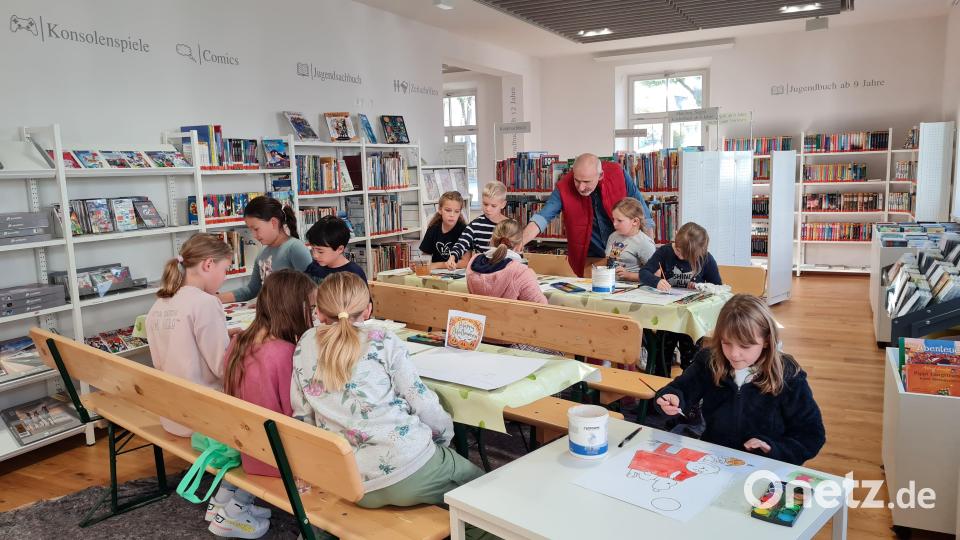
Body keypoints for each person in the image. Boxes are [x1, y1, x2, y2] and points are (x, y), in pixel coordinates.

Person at [291, 273, 484, 515]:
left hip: (350, 481)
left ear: (318, 312)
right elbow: (422, 402)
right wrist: (444, 438)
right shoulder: (382, 340)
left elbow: (302, 415)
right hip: (408, 466)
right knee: (486, 496)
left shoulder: (305, 343)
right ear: (368, 310)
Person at [145, 234, 271, 538]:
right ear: (208, 264)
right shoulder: (205, 303)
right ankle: (235, 499)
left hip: (171, 412)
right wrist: (242, 344)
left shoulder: (160, 303)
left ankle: (229, 496)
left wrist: (225, 337)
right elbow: (221, 368)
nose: (224, 278)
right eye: (225, 270)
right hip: (202, 417)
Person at [655, 295, 826, 465]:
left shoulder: (788, 375)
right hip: (715, 459)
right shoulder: (709, 361)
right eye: (726, 343)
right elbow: (681, 389)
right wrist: (672, 396)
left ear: (766, 341)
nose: (734, 354)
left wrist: (773, 449)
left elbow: (811, 435)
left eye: (745, 346)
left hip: (765, 467)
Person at [222, 269, 317, 477]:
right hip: (279, 458)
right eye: (311, 308)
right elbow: (297, 413)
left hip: (249, 449)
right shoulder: (285, 352)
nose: (314, 314)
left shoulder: (238, 342)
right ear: (294, 308)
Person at [521, 153, 654, 277]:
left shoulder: (618, 174)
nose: (581, 187)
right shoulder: (564, 186)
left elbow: (643, 214)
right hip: (590, 256)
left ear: (600, 175)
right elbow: (543, 217)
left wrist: (650, 250)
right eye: (577, 180)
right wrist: (520, 242)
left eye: (587, 182)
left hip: (627, 254)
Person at [639, 222, 722, 370]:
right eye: (678, 251)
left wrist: (700, 286)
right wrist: (656, 281)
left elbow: (718, 287)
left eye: (687, 256)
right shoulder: (665, 252)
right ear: (675, 239)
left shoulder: (705, 258)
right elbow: (644, 273)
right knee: (662, 357)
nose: (681, 257)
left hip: (692, 318)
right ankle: (661, 387)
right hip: (668, 315)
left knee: (691, 361)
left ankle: (689, 388)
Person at [218, 196, 312, 303]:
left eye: (256, 229)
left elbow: (310, 290)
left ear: (273, 223)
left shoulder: (295, 248)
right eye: (251, 230)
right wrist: (216, 298)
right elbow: (251, 290)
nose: (253, 235)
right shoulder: (262, 253)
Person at [466, 219, 546, 304]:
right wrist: (530, 277)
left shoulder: (473, 262)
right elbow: (542, 307)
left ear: (492, 240)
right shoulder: (519, 272)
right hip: (510, 317)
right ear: (519, 245)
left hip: (481, 316)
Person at [445, 181, 509, 270]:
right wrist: (452, 258)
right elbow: (461, 243)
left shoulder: (511, 226)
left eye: (493, 206)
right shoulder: (475, 224)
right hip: (483, 272)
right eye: (485, 204)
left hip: (506, 272)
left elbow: (517, 254)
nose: (488, 209)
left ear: (503, 204)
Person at [605, 197, 656, 282]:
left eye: (619, 220)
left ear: (635, 221)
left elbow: (655, 274)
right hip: (612, 287)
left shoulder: (644, 243)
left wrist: (629, 275)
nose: (614, 224)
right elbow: (612, 259)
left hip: (635, 290)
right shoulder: (613, 236)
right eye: (613, 219)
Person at [303, 215, 367, 282]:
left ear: (340, 249)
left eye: (320, 251)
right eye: (313, 249)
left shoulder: (354, 274)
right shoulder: (313, 268)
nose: (315, 255)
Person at [419, 191, 466, 267]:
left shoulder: (464, 230)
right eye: (448, 210)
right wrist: (419, 264)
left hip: (456, 274)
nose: (452, 215)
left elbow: (465, 262)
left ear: (460, 212)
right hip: (436, 274)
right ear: (440, 210)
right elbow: (425, 257)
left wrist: (438, 265)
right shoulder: (433, 228)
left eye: (456, 211)